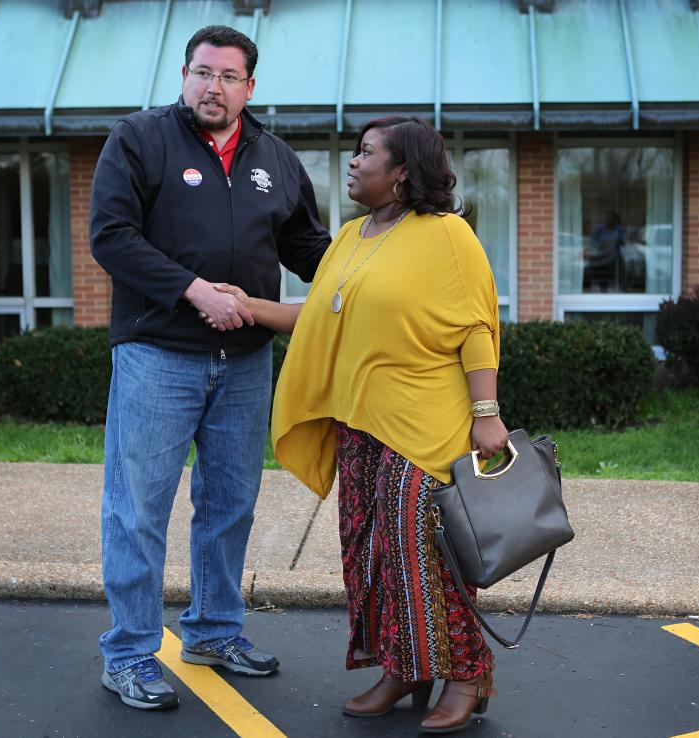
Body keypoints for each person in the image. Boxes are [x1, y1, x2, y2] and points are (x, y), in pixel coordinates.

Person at [208, 117, 508, 734]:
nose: (352, 162)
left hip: (424, 427)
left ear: (403, 171)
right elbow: (318, 315)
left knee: (424, 555)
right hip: (360, 427)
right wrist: (247, 305)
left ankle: (468, 674)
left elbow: (475, 327)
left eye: (366, 153)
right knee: (369, 556)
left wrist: (487, 415)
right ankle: (406, 668)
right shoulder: (350, 237)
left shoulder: (447, 235)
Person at [88, 25, 330, 710]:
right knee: (137, 511)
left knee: (229, 507)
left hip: (247, 365)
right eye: (201, 72)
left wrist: (375, 266)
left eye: (227, 77)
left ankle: (214, 632)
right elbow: (111, 236)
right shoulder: (139, 140)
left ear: (250, 88)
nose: (212, 87)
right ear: (184, 75)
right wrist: (192, 290)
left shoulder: (275, 158)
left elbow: (308, 246)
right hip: (157, 357)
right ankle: (131, 653)